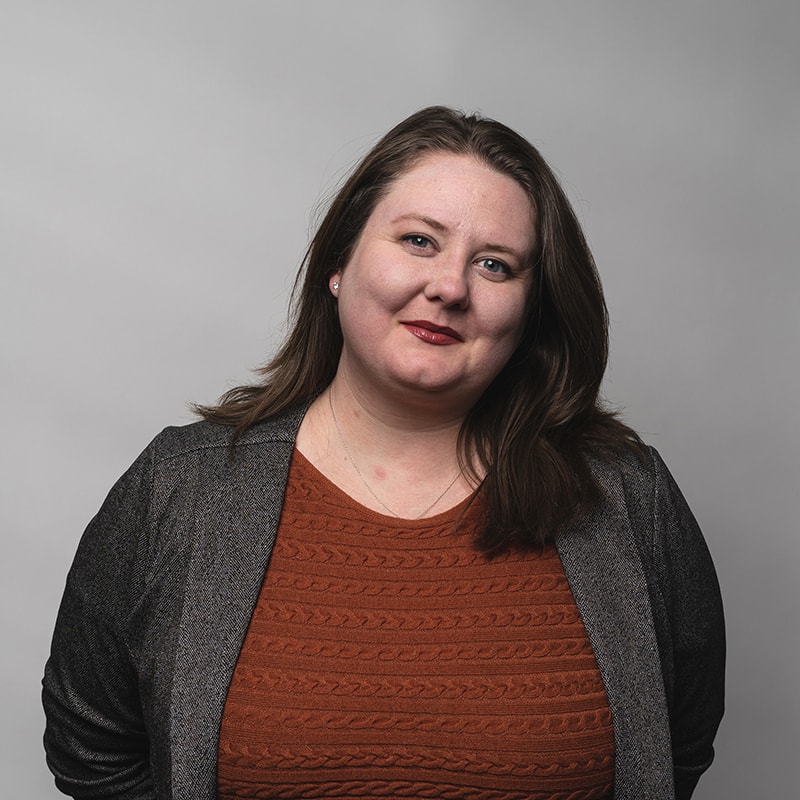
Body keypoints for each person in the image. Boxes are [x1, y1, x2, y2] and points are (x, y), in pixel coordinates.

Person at [42, 106, 724, 800]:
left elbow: (675, 747)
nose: (451, 287)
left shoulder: (625, 501)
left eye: (495, 264)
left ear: (532, 312)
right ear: (339, 263)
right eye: (420, 241)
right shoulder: (180, 488)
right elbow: (92, 751)